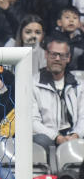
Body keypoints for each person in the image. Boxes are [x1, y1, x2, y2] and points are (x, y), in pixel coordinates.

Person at [32, 36, 84, 172]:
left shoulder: (78, 84)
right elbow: (32, 121)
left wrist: (76, 135)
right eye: (54, 54)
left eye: (62, 55)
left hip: (73, 135)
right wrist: (56, 137)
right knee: (41, 140)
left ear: (69, 58)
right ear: (46, 55)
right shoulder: (33, 83)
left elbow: (83, 116)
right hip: (48, 137)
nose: (57, 59)